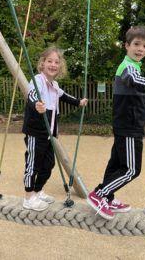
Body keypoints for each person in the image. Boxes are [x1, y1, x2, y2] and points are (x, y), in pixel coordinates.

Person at [87, 25, 145, 220]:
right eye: (136, 44)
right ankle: (99, 194)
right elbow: (136, 81)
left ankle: (108, 197)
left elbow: (140, 80)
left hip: (126, 124)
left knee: (117, 165)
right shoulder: (127, 67)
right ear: (126, 46)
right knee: (131, 170)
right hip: (128, 126)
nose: (140, 49)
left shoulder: (134, 66)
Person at [22, 46, 88, 211]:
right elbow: (32, 95)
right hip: (36, 132)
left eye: (56, 62)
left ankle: (38, 190)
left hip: (50, 134)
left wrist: (79, 102)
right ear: (42, 63)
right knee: (33, 164)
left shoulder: (54, 84)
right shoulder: (38, 80)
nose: (53, 64)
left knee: (48, 164)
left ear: (60, 66)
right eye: (49, 61)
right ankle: (28, 197)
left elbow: (64, 96)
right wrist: (36, 104)